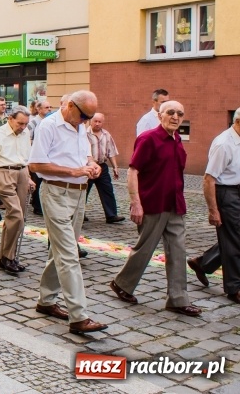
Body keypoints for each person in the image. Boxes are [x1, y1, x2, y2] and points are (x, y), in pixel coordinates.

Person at [110, 101, 201, 317]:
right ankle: (121, 284)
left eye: (180, 113)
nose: (176, 117)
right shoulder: (148, 138)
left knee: (178, 252)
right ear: (160, 115)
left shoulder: (177, 139)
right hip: (153, 204)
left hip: (175, 205)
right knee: (145, 249)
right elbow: (133, 172)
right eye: (170, 112)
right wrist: (135, 202)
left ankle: (178, 299)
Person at [28, 90, 109, 335]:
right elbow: (36, 164)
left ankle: (46, 301)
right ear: (70, 106)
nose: (85, 121)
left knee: (61, 250)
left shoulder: (80, 126)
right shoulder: (49, 126)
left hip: (78, 194)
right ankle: (79, 316)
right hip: (55, 192)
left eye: (89, 117)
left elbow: (85, 155)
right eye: (83, 116)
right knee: (69, 254)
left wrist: (92, 165)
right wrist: (74, 172)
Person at [188, 107, 240, 301]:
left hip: (237, 190)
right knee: (235, 240)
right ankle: (234, 288)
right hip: (226, 193)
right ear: (237, 122)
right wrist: (213, 211)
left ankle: (202, 263)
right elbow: (209, 179)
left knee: (233, 236)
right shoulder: (224, 144)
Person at [0, 106, 34, 275]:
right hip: (4, 173)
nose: (23, 127)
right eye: (20, 123)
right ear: (10, 119)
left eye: (26, 124)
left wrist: (29, 177)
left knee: (17, 218)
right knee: (16, 215)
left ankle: (6, 257)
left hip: (22, 173)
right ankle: (7, 257)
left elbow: (26, 158)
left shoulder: (26, 133)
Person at [86, 113, 123, 224]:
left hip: (102, 166)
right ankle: (79, 214)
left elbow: (111, 151)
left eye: (99, 122)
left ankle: (111, 215)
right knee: (83, 191)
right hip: (88, 166)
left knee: (107, 190)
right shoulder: (84, 134)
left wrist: (115, 167)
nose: (97, 124)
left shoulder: (106, 134)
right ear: (90, 121)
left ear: (103, 122)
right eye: (95, 121)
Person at [28, 100, 52, 216]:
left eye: (50, 107)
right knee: (37, 181)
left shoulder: (50, 121)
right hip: (36, 155)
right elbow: (27, 137)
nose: (49, 109)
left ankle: (43, 204)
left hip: (48, 156)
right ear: (39, 109)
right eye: (46, 107)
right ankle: (37, 206)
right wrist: (37, 143)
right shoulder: (33, 122)